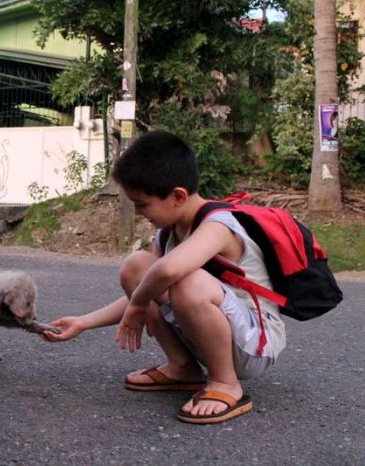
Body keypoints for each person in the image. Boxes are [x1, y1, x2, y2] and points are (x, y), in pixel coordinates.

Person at [43, 130, 285, 424]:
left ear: (178, 196)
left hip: (255, 344)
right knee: (137, 268)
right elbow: (145, 286)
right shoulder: (168, 234)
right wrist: (83, 323)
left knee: (185, 280)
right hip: (217, 333)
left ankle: (225, 383)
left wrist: (138, 305)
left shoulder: (218, 226)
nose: (139, 212)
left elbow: (168, 273)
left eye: (143, 204)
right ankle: (183, 368)